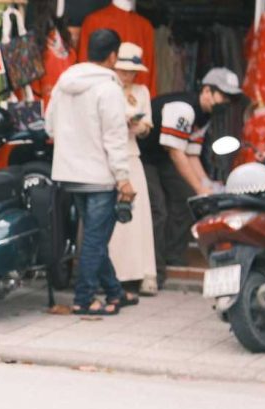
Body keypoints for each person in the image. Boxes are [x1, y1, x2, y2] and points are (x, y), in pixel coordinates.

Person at [47, 27, 135, 316]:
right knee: (95, 241)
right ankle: (83, 299)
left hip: (70, 174)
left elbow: (50, 126)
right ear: (112, 56)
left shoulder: (65, 81)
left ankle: (114, 292)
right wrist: (123, 178)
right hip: (99, 177)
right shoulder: (109, 89)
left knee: (95, 238)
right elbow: (115, 138)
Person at [140, 68, 240, 285]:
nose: (226, 101)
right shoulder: (183, 108)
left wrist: (206, 187)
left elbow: (192, 154)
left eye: (229, 98)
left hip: (163, 155)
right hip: (144, 155)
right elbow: (176, 153)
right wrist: (199, 187)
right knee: (158, 209)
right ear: (207, 91)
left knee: (187, 200)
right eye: (223, 95)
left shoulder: (205, 115)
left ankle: (173, 255)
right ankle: (154, 271)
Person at [108, 42, 159, 296]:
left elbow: (147, 126)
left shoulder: (141, 91)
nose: (128, 75)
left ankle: (143, 273)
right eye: (124, 70)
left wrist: (138, 126)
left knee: (138, 216)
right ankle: (113, 273)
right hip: (109, 156)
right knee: (114, 218)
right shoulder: (106, 89)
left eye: (132, 71)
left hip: (131, 153)